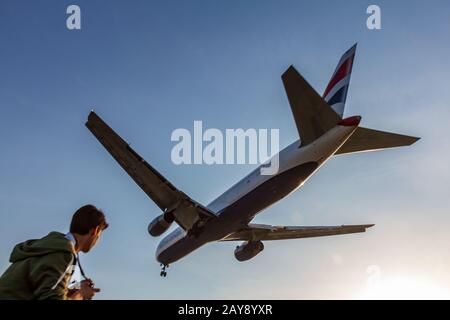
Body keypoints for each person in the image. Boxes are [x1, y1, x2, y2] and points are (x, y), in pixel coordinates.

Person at [0, 204, 108, 300]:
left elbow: (38, 288)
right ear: (95, 230)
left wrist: (68, 290)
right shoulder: (63, 253)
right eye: (99, 236)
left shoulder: (51, 246)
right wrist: (81, 295)